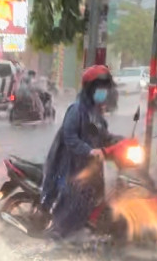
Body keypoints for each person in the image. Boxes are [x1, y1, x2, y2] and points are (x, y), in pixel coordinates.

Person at [40, 65, 122, 239]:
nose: (103, 92)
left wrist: (120, 141)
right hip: (70, 166)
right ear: (90, 89)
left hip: (90, 167)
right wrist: (89, 151)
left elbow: (103, 136)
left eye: (105, 88)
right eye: (99, 88)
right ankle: (57, 237)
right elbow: (69, 137)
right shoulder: (76, 110)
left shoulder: (97, 113)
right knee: (73, 202)